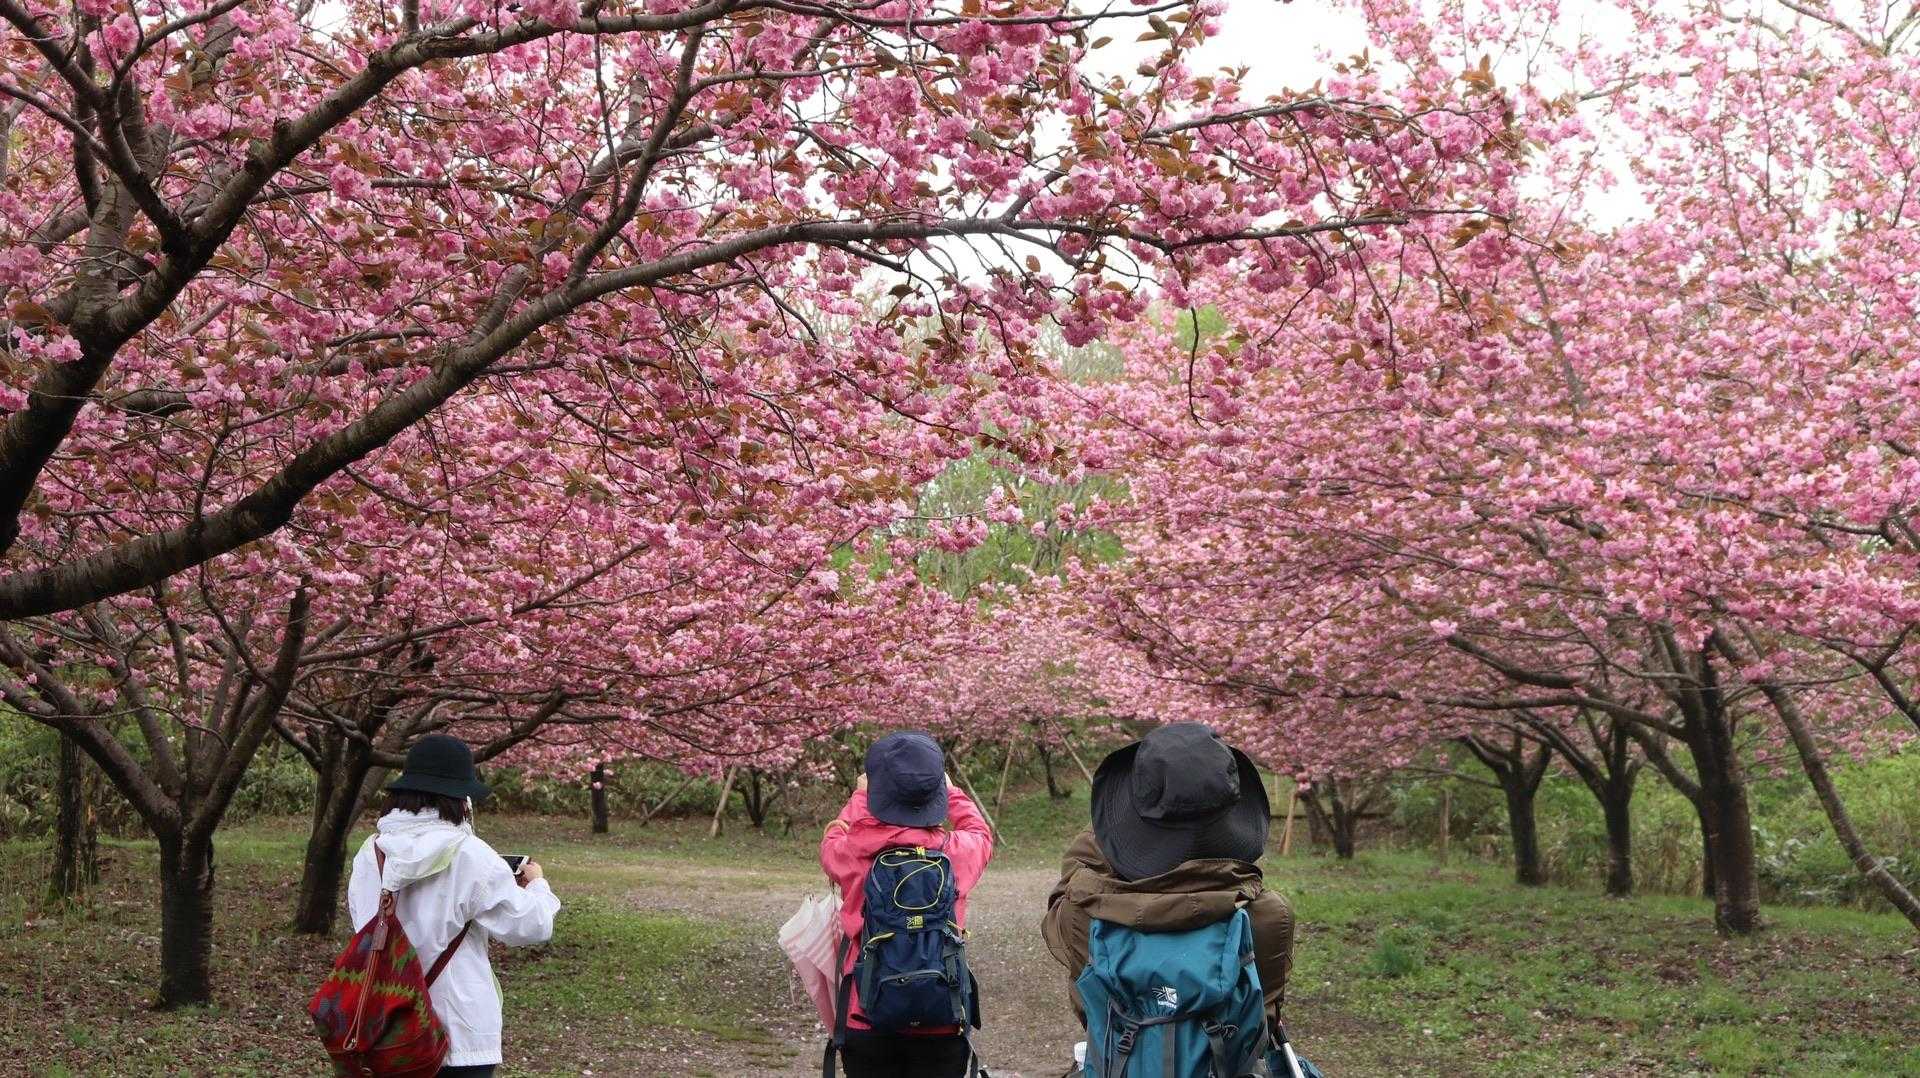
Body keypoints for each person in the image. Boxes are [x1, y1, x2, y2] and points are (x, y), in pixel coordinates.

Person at [1042, 723, 1294, 1042]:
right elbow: (1265, 1016)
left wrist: (1107, 832)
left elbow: (1065, 892)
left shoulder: (1084, 917)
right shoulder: (1270, 917)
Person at [346, 734, 561, 1078]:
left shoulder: (371, 851)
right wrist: (537, 885)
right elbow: (532, 926)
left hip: (386, 1027)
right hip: (460, 1033)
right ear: (461, 798)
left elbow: (363, 922)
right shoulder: (470, 855)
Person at [819, 731, 994, 1078]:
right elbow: (980, 832)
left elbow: (832, 839)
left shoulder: (853, 852)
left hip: (866, 1017)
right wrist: (954, 792)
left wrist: (859, 796)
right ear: (935, 795)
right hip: (943, 1017)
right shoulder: (956, 853)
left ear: (877, 793)